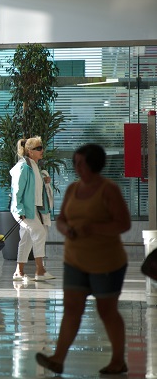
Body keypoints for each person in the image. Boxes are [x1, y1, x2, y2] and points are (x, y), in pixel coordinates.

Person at [36, 144, 131, 376]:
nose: (76, 167)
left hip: (106, 262)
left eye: (81, 163)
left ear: (93, 164)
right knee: (71, 309)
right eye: (75, 162)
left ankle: (118, 360)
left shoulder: (109, 190)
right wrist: (66, 229)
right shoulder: (73, 189)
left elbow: (123, 223)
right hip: (75, 261)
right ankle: (58, 359)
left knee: (107, 310)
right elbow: (61, 219)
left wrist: (93, 228)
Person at [10, 137, 55, 282]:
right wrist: (19, 210)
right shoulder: (23, 167)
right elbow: (17, 190)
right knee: (39, 232)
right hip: (24, 209)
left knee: (27, 238)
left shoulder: (34, 166)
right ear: (30, 151)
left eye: (41, 147)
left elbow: (34, 188)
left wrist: (44, 180)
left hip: (33, 208)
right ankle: (40, 270)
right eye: (38, 148)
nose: (42, 150)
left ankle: (19, 272)